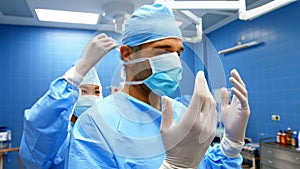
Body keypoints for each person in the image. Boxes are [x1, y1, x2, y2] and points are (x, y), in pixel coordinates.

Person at [66, 3, 250, 169]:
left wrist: (230, 146)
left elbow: (205, 164)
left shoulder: (182, 113)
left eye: (178, 53)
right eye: (164, 50)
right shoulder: (95, 125)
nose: (175, 61)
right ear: (127, 54)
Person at [19, 33, 118, 169]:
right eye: (84, 91)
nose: (92, 98)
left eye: (96, 92)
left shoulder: (104, 133)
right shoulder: (61, 136)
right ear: (72, 95)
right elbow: (39, 127)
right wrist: (77, 73)